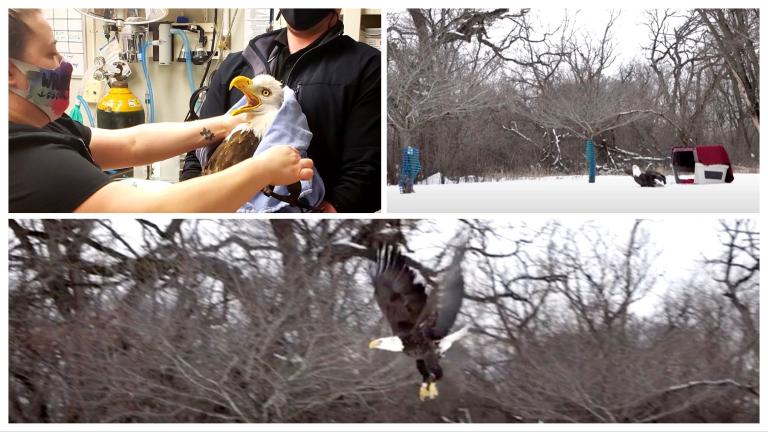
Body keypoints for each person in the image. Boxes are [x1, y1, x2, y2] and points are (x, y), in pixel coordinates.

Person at [8, 9, 313, 213]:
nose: (63, 62)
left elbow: (132, 144)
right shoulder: (27, 160)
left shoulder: (45, 124)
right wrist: (263, 169)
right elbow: (161, 210)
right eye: (50, 53)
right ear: (10, 72)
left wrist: (228, 122)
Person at [181, 8, 380, 213]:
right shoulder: (235, 65)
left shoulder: (367, 67)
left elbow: (367, 174)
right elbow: (197, 152)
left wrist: (319, 221)